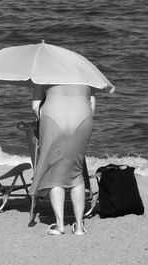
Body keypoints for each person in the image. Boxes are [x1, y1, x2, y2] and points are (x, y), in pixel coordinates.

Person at [30, 84, 96, 235]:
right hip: (83, 118)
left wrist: (43, 117)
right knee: (76, 171)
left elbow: (35, 106)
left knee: (54, 171)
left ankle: (60, 225)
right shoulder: (87, 75)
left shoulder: (46, 73)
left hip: (53, 117)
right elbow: (92, 106)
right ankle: (79, 227)